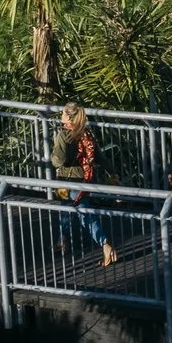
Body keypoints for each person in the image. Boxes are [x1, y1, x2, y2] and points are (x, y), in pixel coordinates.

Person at [50, 103, 117, 269]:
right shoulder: (85, 133)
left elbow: (59, 160)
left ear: (68, 118)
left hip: (68, 179)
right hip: (85, 179)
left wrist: (52, 157)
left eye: (63, 114)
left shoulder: (63, 135)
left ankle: (105, 244)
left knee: (85, 215)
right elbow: (99, 156)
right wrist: (112, 172)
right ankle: (62, 240)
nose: (61, 116)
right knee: (65, 209)